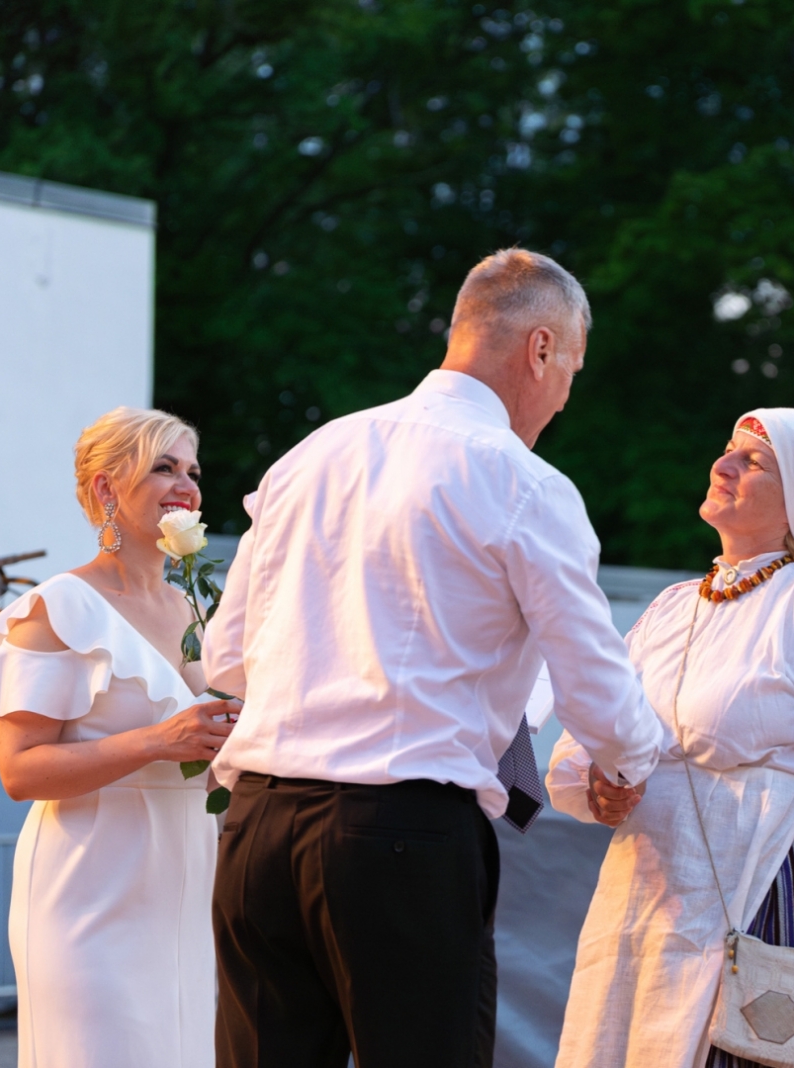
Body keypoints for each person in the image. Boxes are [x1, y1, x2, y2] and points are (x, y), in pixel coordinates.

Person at [203, 249, 666, 1068]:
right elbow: (594, 680)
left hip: (259, 832)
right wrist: (628, 761)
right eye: (571, 372)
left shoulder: (308, 457)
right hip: (402, 838)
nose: (563, 399)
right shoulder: (522, 483)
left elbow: (227, 658)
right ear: (542, 350)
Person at [546, 409, 794, 1067]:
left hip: (766, 897)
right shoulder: (668, 611)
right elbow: (587, 731)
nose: (723, 466)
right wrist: (593, 781)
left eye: (753, 463)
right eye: (728, 452)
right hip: (647, 908)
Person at [0, 407, 241, 1068]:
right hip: (90, 894)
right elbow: (19, 771)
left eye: (192, 470)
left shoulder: (204, 610)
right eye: (163, 467)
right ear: (105, 488)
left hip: (191, 886)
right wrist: (156, 742)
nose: (187, 486)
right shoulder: (58, 608)